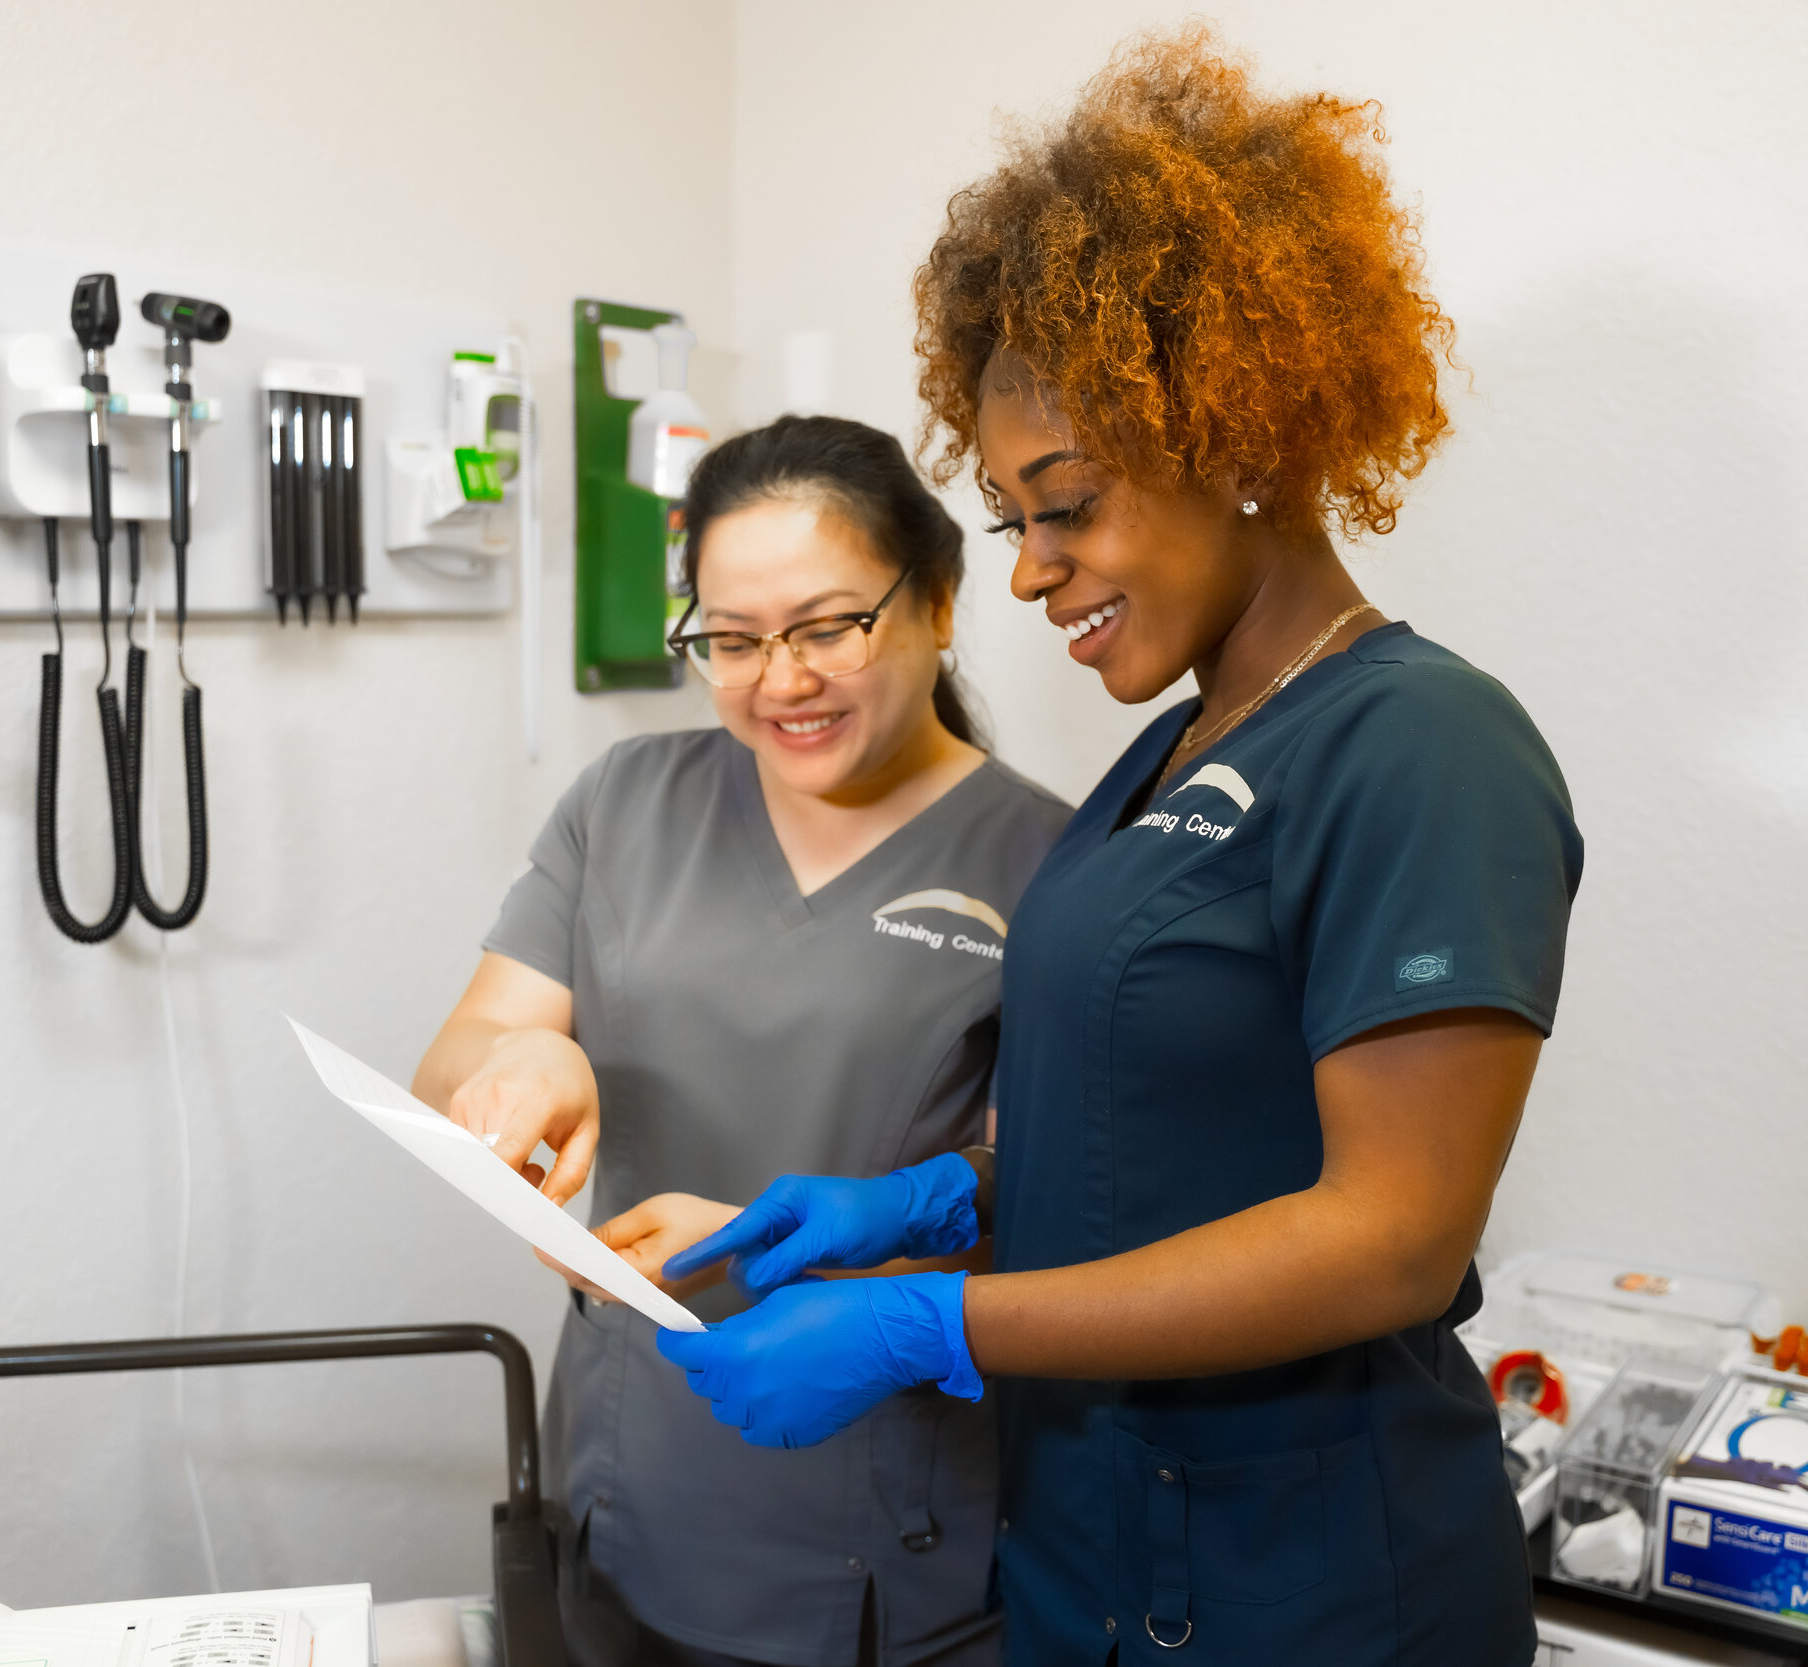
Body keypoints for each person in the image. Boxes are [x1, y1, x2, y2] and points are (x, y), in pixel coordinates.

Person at [654, 34, 1582, 1665]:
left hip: (1308, 1589)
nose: (1030, 573)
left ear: (1232, 437)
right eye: (1014, 518)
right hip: (1093, 1554)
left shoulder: (1421, 743)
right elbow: (1165, 1133)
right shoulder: (1170, 755)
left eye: (1064, 504)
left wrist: (931, 1322)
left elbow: (1392, 1231)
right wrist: (934, 1199)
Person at [413, 414, 1068, 1667]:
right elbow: (461, 1055)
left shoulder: (1052, 865)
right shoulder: (625, 802)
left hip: (879, 1519)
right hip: (627, 1471)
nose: (780, 678)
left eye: (827, 625)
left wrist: (815, 1265)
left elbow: (1063, 1220)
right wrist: (521, 1065)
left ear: (934, 599)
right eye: (730, 638)